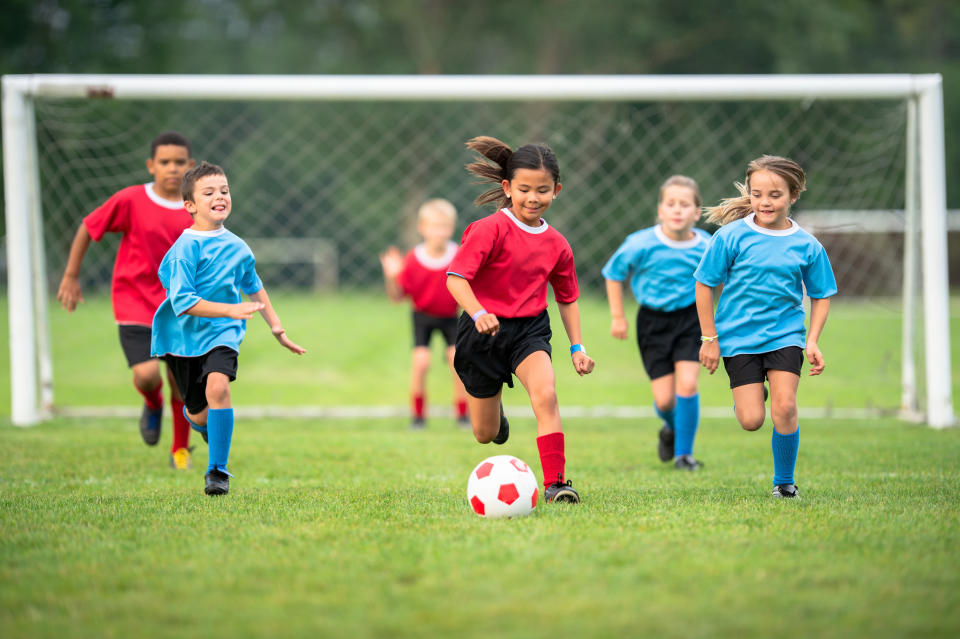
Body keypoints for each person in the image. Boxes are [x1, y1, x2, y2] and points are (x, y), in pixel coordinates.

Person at [446, 136, 595, 505]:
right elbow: (456, 278)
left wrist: (577, 347)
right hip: (481, 332)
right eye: (524, 189)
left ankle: (556, 484)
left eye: (542, 190)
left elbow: (567, 298)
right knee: (484, 433)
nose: (533, 197)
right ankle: (496, 413)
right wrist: (479, 312)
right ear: (507, 188)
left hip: (528, 331)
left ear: (556, 190)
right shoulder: (488, 230)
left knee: (546, 396)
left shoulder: (558, 244)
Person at [151, 161, 305, 496]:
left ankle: (217, 471)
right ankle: (205, 425)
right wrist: (231, 308)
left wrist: (276, 326)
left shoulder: (238, 247)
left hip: (223, 334)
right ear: (190, 205)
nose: (219, 196)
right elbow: (184, 302)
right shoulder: (185, 249)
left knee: (219, 388)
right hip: (182, 339)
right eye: (209, 192)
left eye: (224, 190)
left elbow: (253, 284)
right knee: (199, 413)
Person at [694, 155, 836, 498]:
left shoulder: (806, 244)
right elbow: (703, 284)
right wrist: (709, 338)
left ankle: (784, 484)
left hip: (785, 336)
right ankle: (754, 393)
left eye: (775, 195)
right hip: (739, 339)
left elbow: (821, 294)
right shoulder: (730, 237)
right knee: (751, 419)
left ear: (793, 195)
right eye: (757, 194)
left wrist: (813, 341)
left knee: (785, 407)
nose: (765, 202)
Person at [56, 131, 197, 470]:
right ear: (151, 165)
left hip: (180, 307)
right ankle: (152, 401)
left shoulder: (198, 208)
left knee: (182, 383)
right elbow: (89, 227)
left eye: (180, 162)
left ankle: (180, 452)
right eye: (165, 162)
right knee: (149, 375)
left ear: (191, 167)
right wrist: (71, 275)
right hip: (134, 302)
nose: (172, 168)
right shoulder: (131, 200)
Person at [602, 175, 710, 470]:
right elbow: (613, 273)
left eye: (685, 204)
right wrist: (617, 317)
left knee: (687, 385)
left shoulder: (707, 246)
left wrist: (716, 319)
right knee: (664, 401)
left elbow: (720, 281)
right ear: (660, 210)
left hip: (690, 319)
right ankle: (671, 429)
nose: (677, 210)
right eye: (670, 204)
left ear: (697, 212)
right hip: (652, 322)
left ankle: (684, 455)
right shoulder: (640, 243)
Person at [379, 199, 469, 429]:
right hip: (423, 318)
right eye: (435, 226)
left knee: (456, 360)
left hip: (451, 317)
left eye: (445, 226)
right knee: (421, 363)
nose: (440, 232)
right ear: (422, 228)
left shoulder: (458, 256)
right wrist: (392, 276)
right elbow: (396, 297)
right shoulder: (413, 259)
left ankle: (462, 415)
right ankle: (418, 417)